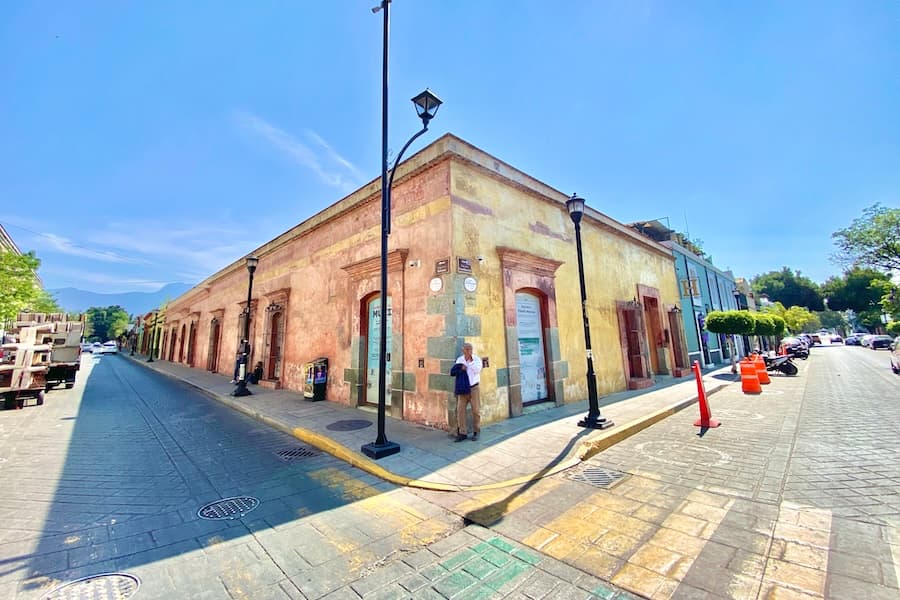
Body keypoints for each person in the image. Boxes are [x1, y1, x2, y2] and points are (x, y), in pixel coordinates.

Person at [451, 342, 482, 442]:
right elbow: (454, 371)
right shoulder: (459, 360)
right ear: (463, 350)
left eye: (470, 349)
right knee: (460, 411)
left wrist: (470, 362)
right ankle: (462, 433)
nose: (469, 351)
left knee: (476, 411)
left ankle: (476, 431)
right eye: (467, 349)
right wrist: (461, 368)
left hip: (474, 389)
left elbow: (477, 370)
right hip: (463, 389)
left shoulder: (477, 359)